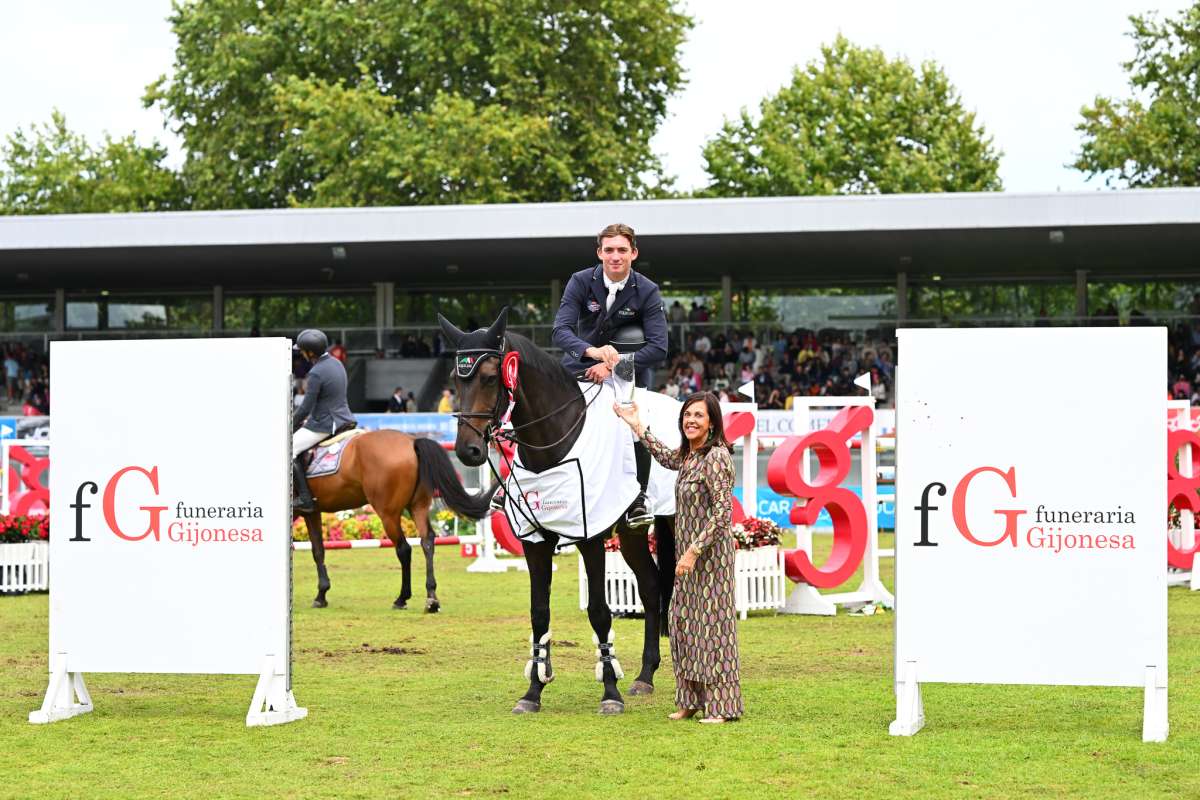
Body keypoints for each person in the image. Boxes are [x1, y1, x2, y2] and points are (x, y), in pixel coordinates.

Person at [614, 391, 743, 723]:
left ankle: (721, 707)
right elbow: (663, 456)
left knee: (713, 632)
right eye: (687, 414)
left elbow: (722, 514)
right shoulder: (688, 457)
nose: (691, 420)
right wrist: (637, 426)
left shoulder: (716, 457)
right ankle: (690, 700)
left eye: (698, 415)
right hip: (687, 561)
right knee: (684, 627)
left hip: (710, 559)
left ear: (712, 422)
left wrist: (693, 551)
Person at [551, 222, 668, 528]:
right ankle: (518, 481)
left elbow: (658, 347)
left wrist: (613, 364)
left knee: (632, 423)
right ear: (599, 252)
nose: (615, 256)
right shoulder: (579, 281)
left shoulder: (647, 290)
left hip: (627, 370)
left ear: (633, 253)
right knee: (538, 409)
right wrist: (593, 353)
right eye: (609, 250)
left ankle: (639, 500)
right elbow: (560, 331)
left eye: (622, 250)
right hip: (580, 364)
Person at [292, 328, 356, 512]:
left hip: (326, 423)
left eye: (303, 351)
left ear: (309, 352)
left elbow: (305, 407)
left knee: (289, 450)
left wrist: (289, 425)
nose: (302, 354)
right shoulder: (337, 363)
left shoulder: (316, 373)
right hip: (345, 417)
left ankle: (305, 499)